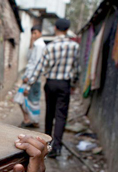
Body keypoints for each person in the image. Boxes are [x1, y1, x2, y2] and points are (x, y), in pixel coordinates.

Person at [25, 18, 80, 158]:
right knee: (61, 115)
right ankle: (57, 148)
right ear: (67, 30)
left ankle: (47, 144)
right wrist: (73, 84)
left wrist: (29, 84)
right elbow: (77, 69)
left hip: (51, 83)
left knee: (49, 113)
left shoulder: (49, 47)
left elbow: (39, 68)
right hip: (64, 84)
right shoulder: (74, 46)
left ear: (55, 28)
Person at [20, 25, 46, 128]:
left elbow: (37, 64)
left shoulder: (40, 46)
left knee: (32, 100)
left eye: (35, 33)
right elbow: (29, 58)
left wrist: (30, 79)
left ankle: (34, 121)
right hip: (30, 76)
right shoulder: (35, 45)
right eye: (32, 33)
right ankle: (29, 119)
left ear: (40, 33)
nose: (33, 35)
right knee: (25, 99)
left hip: (33, 78)